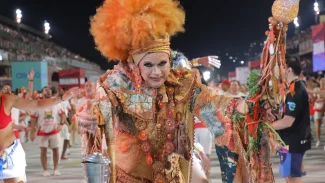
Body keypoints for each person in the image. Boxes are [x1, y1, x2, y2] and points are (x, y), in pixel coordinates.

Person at [78, 0, 249, 182]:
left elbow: (211, 104)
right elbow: (97, 114)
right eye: (148, 65)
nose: (157, 72)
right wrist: (88, 119)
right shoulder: (116, 87)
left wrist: (240, 104)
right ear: (136, 66)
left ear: (170, 61)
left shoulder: (181, 86)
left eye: (162, 63)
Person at [0, 70, 80, 183]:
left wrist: (62, 98)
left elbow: (36, 104)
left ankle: (53, 167)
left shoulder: (6, 100)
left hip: (10, 154)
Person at [272, 57, 312, 183]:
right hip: (288, 141)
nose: (279, 71)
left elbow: (287, 121)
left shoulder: (295, 91)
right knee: (288, 175)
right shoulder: (292, 88)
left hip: (293, 141)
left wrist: (266, 125)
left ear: (289, 70)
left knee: (293, 176)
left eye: (281, 67)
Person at [30, 86, 70, 177]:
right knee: (43, 151)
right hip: (42, 131)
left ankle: (56, 169)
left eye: (49, 90)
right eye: (45, 90)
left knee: (56, 150)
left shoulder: (56, 103)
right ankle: (45, 170)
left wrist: (60, 124)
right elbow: (33, 119)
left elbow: (63, 115)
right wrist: (32, 131)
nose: (48, 92)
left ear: (51, 93)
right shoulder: (38, 104)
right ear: (42, 93)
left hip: (54, 130)